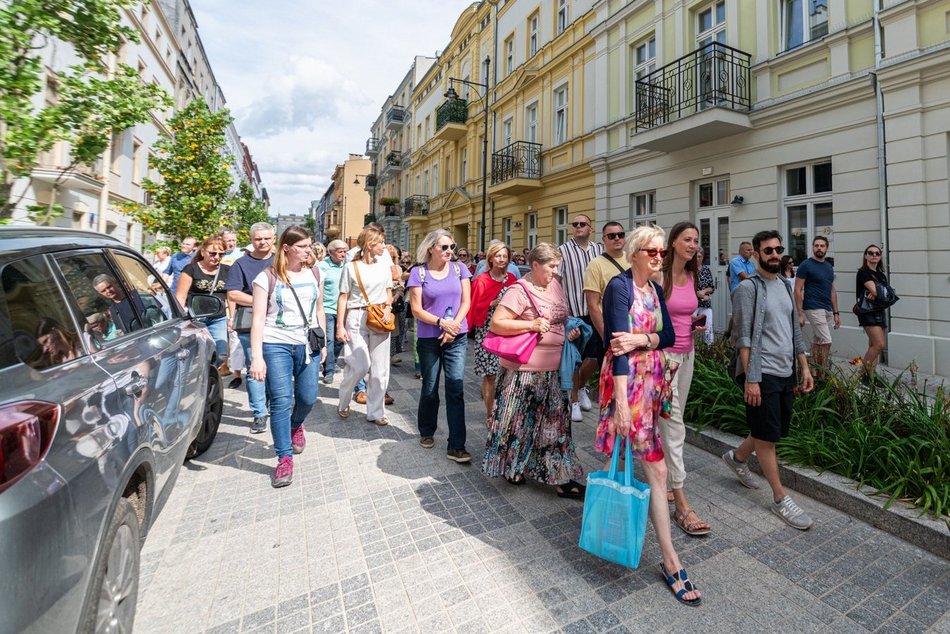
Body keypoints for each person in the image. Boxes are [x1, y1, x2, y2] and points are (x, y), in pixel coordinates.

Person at [596, 225, 701, 606]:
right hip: (629, 388)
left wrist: (642, 338)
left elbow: (670, 335)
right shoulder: (619, 288)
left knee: (640, 464)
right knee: (650, 467)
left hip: (655, 384)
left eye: (662, 253)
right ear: (636, 254)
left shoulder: (656, 290)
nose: (660, 258)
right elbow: (616, 349)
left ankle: (624, 529)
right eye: (653, 253)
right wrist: (621, 404)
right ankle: (670, 559)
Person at [723, 230, 814, 530]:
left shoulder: (786, 285)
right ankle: (779, 498)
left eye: (778, 249)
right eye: (768, 250)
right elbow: (744, 337)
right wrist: (751, 378)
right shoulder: (748, 289)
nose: (774, 254)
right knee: (767, 437)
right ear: (757, 254)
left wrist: (804, 365)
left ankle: (737, 459)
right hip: (762, 373)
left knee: (767, 428)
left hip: (786, 370)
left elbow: (794, 329)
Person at [483, 243, 585, 497]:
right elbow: (497, 323)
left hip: (555, 369)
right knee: (520, 424)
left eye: (557, 266)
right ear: (535, 265)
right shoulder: (519, 290)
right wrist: (531, 324)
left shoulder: (556, 285)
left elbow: (561, 317)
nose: (555, 271)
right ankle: (514, 467)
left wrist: (570, 331)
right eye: (551, 266)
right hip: (523, 371)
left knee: (556, 426)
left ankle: (559, 476)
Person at [249, 226, 327, 488]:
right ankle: (283, 457)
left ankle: (296, 425)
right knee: (281, 401)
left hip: (307, 343)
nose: (309, 250)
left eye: (310, 245)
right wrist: (257, 358)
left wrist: (323, 343)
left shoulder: (315, 272)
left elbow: (319, 309)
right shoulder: (267, 277)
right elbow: (258, 320)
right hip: (276, 344)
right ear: (286, 248)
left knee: (307, 397)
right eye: (303, 246)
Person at [658, 222, 711, 537]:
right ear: (673, 242)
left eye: (696, 240)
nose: (693, 244)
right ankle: (681, 503)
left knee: (670, 422)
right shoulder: (659, 276)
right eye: (687, 239)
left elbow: (681, 313)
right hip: (664, 359)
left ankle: (662, 479)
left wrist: (693, 322)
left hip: (687, 354)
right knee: (675, 426)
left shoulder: (691, 276)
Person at [407, 229, 472, 463]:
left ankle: (457, 445)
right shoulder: (418, 273)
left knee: (455, 388)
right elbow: (416, 309)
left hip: (457, 336)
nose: (450, 251)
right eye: (444, 247)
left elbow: (467, 301)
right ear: (431, 249)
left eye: (452, 247)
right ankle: (426, 430)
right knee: (430, 387)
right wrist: (440, 323)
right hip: (429, 338)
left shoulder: (459, 269)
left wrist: (453, 326)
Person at [336, 226, 394, 424]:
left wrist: (387, 308)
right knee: (360, 365)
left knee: (380, 369)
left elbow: (388, 292)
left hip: (379, 317)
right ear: (370, 245)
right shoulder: (351, 267)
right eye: (381, 243)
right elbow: (343, 297)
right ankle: (344, 400)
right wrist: (339, 326)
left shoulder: (384, 266)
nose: (384, 246)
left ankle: (376, 412)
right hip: (357, 315)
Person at [226, 222, 276, 434]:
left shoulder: (281, 260)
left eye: (266, 238)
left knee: (276, 369)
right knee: (255, 369)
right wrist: (261, 300)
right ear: (251, 240)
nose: (262, 242)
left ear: (274, 238)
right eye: (258, 239)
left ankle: (275, 405)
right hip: (248, 322)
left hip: (278, 323)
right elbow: (233, 294)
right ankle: (259, 413)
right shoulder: (240, 264)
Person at [581, 222, 630, 423]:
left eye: (620, 234)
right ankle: (610, 429)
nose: (617, 238)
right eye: (611, 236)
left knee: (630, 385)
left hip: (633, 333)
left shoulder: (632, 260)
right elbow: (593, 305)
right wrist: (606, 338)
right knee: (612, 385)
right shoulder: (596, 265)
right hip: (610, 334)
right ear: (604, 240)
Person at [558, 213, 604, 423]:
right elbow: (557, 281)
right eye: (575, 224)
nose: (578, 227)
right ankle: (574, 400)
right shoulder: (563, 251)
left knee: (595, 357)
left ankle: (582, 386)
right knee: (575, 359)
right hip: (574, 312)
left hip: (596, 311)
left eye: (582, 224)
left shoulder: (599, 250)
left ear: (590, 227)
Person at [469, 241, 517, 421]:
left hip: (507, 333)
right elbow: (473, 308)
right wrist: (491, 304)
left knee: (507, 374)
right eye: (498, 256)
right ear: (490, 258)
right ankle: (490, 414)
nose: (502, 259)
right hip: (487, 332)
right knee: (490, 375)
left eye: (505, 256)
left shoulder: (512, 279)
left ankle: (505, 411)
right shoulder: (482, 280)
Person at [175, 236, 230, 362]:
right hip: (196, 318)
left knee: (221, 355)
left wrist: (231, 317)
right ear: (203, 251)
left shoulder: (227, 270)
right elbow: (181, 296)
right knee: (197, 355)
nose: (216, 257)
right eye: (212, 253)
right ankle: (201, 378)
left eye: (221, 254)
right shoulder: (191, 269)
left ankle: (208, 375)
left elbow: (231, 296)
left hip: (218, 318)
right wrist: (181, 321)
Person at [794, 236, 840, 370]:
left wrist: (836, 313)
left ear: (827, 248)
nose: (819, 248)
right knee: (826, 340)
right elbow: (797, 289)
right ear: (813, 247)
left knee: (818, 340)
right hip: (813, 306)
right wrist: (800, 313)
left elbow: (832, 290)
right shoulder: (806, 265)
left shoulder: (828, 266)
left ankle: (812, 370)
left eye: (822, 245)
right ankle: (824, 369)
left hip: (826, 307)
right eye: (816, 245)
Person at [855, 244, 888, 383]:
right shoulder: (863, 272)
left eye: (877, 253)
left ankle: (871, 376)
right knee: (879, 344)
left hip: (879, 310)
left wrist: (879, 293)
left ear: (880, 257)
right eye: (871, 253)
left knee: (873, 346)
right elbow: (878, 292)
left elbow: (886, 294)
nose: (874, 255)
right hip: (868, 312)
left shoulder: (880, 274)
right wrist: (878, 293)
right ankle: (862, 375)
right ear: (866, 256)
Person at [319, 240, 348, 384]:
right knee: (329, 340)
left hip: (344, 310)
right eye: (340, 251)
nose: (343, 253)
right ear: (331, 252)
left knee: (340, 341)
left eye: (344, 251)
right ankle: (328, 371)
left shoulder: (348, 266)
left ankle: (332, 361)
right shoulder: (322, 266)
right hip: (327, 309)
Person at [388, 245, 408, 365]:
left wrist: (397, 295)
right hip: (382, 302)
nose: (391, 258)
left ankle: (392, 354)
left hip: (396, 303)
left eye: (393, 256)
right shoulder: (377, 267)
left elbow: (401, 284)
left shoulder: (398, 269)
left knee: (395, 330)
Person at [695, 248, 715, 345]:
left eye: (699, 256)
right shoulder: (688, 271)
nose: (697, 259)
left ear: (702, 257)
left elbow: (711, 287)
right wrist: (699, 294)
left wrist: (705, 291)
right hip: (693, 304)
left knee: (708, 328)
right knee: (690, 328)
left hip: (705, 304)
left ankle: (709, 350)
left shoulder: (706, 269)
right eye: (695, 257)